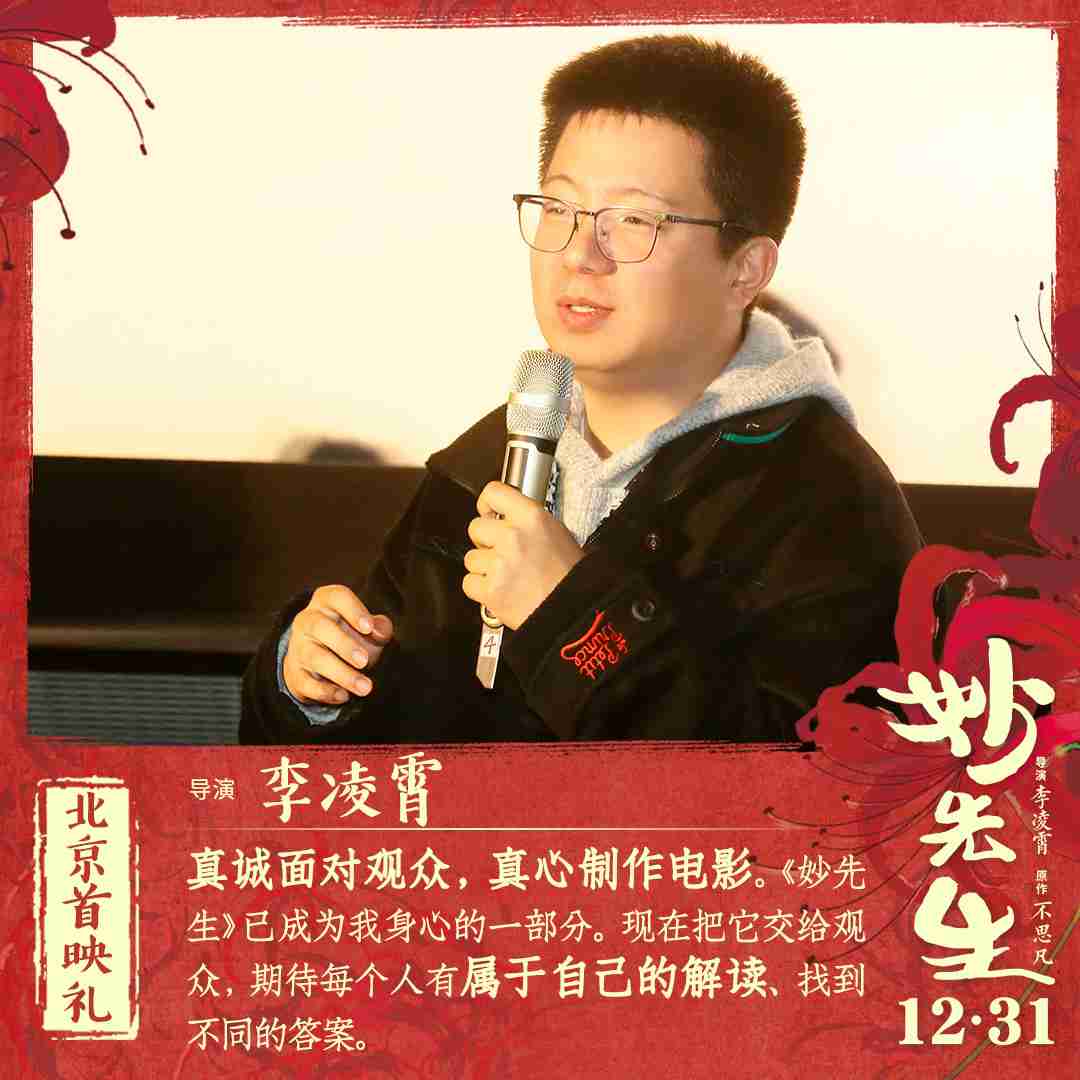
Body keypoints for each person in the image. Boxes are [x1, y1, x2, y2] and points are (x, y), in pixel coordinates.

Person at [240, 33, 921, 745]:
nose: (579, 255)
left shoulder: (827, 499)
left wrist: (572, 617)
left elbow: (812, 790)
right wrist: (310, 687)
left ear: (745, 269)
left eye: (634, 222)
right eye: (560, 210)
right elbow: (390, 774)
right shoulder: (486, 461)